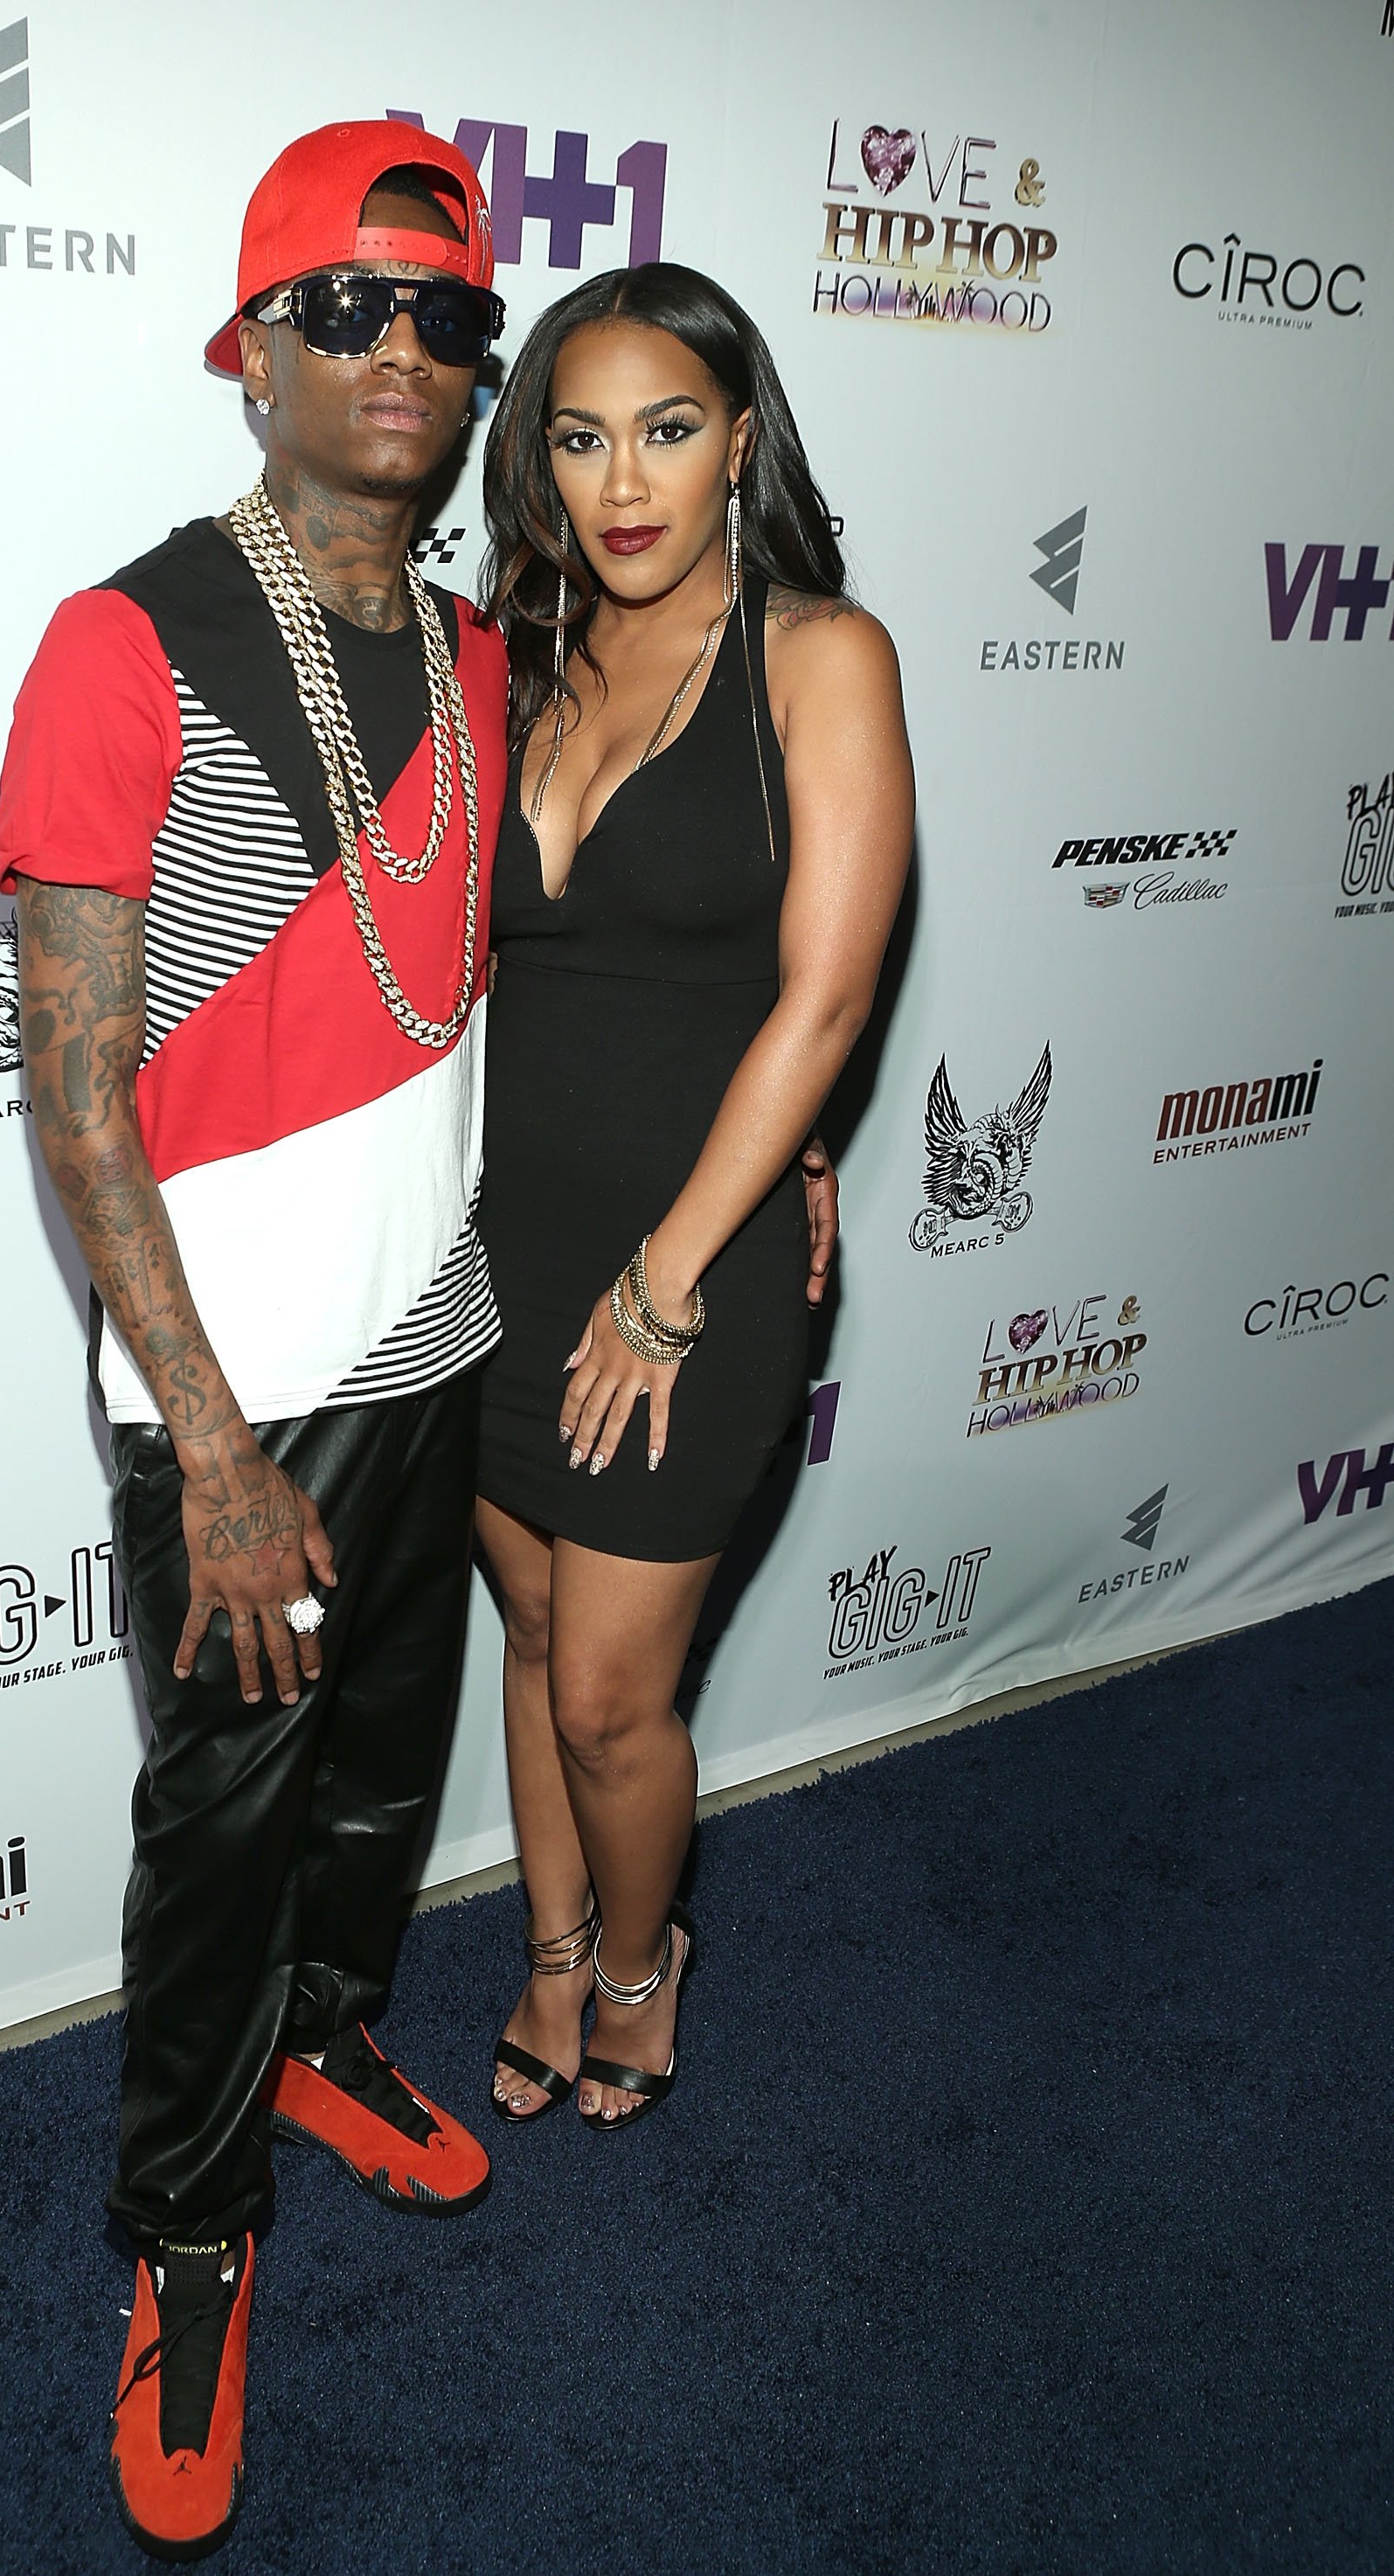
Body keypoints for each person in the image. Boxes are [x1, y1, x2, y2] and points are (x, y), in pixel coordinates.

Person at [0, 122, 511, 2561]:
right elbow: (74, 1081)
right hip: (238, 1394)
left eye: (445, 317)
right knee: (225, 1825)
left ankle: (322, 2042)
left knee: (381, 1772)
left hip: (433, 1326)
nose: (400, 349)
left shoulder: (479, 655)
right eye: (348, 307)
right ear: (254, 352)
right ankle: (185, 2240)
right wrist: (208, 1445)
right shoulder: (127, 642)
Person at [475, 264, 913, 2133]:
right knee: (526, 1631)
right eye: (580, 439)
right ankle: (551, 1950)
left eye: (666, 429)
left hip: (694, 1265)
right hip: (496, 1249)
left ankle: (644, 1968)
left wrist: (662, 1282)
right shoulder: (509, 661)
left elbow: (825, 1001)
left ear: (739, 438)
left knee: (604, 1694)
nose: (624, 481)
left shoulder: (820, 657)